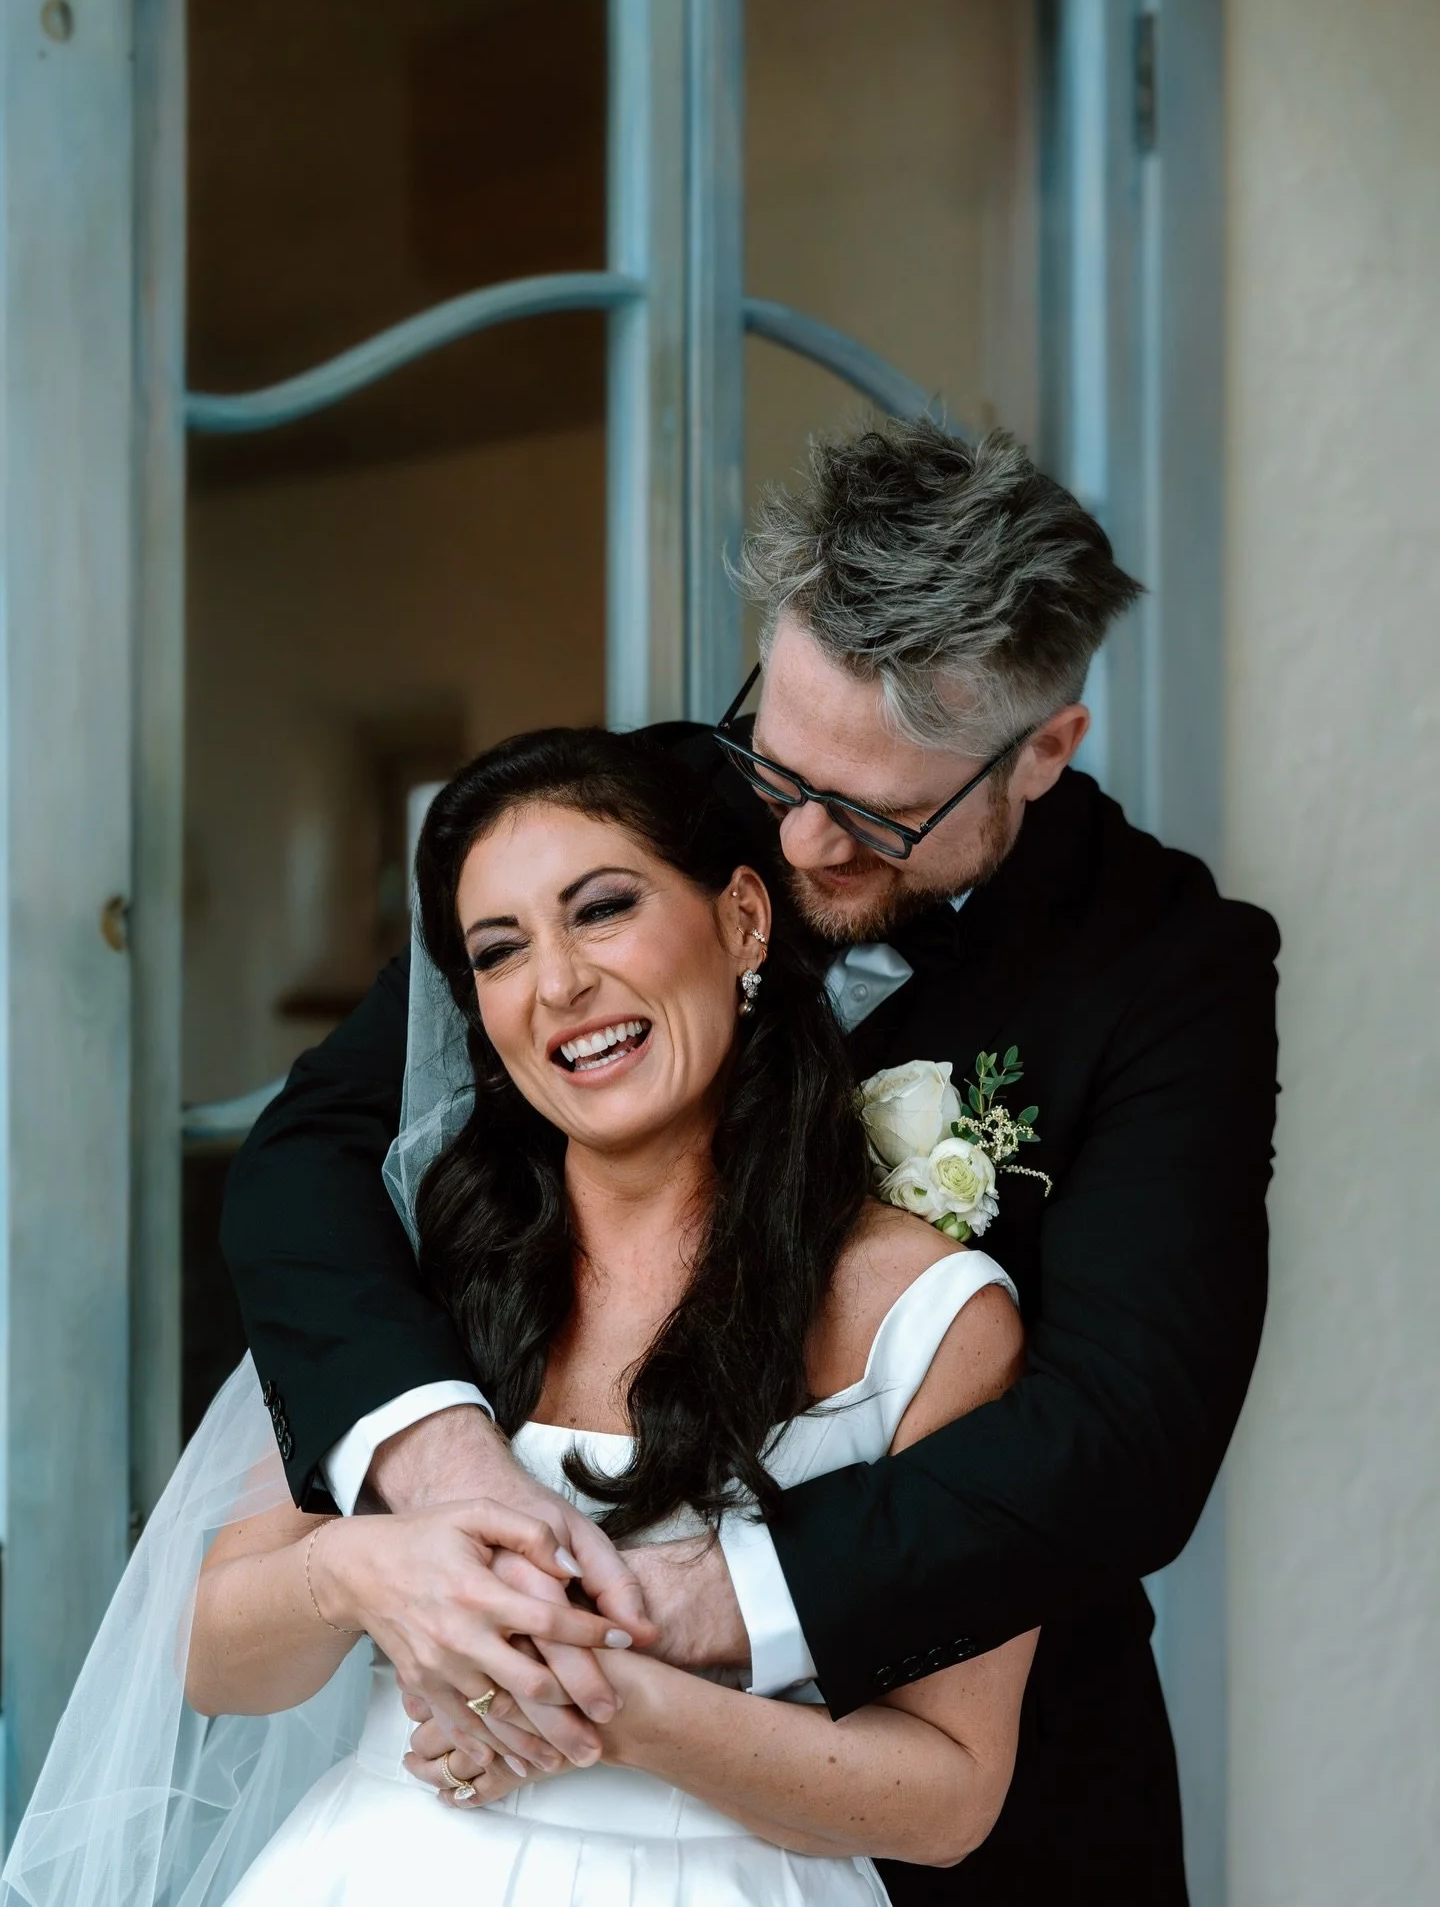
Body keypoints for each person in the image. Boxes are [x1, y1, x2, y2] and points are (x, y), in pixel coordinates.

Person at [221, 423, 1280, 1902]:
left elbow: (1126, 1431)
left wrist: (722, 1596)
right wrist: (437, 1457)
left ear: (1043, 747)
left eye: (874, 814)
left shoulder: (1172, 969)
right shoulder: (629, 822)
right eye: (775, 762)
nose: (795, 840)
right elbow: (311, 1153)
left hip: (967, 1783)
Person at [3, 730, 1035, 1906]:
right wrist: (360, 1572)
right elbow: (215, 1657)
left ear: (744, 920)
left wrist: (612, 1707)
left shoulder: (927, 1315)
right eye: (500, 950)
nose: (558, 985)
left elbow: (949, 1794)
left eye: (600, 909)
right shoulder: (419, 1267)